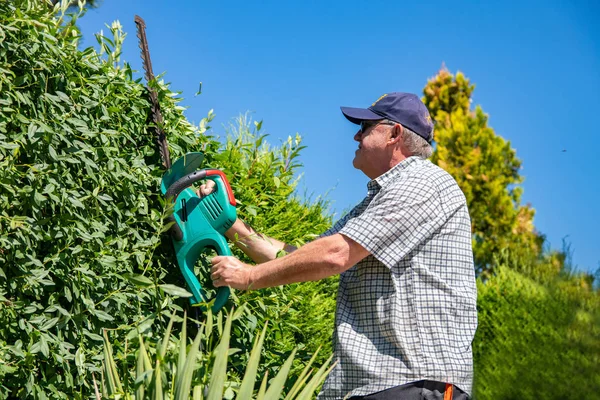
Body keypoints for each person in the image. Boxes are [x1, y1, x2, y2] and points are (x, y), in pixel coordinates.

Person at [202, 92, 478, 400]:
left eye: (365, 126)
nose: (357, 135)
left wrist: (250, 277)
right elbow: (300, 256)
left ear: (395, 134)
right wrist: (227, 223)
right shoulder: (373, 204)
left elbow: (335, 255)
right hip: (374, 386)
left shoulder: (423, 181)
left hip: (411, 384)